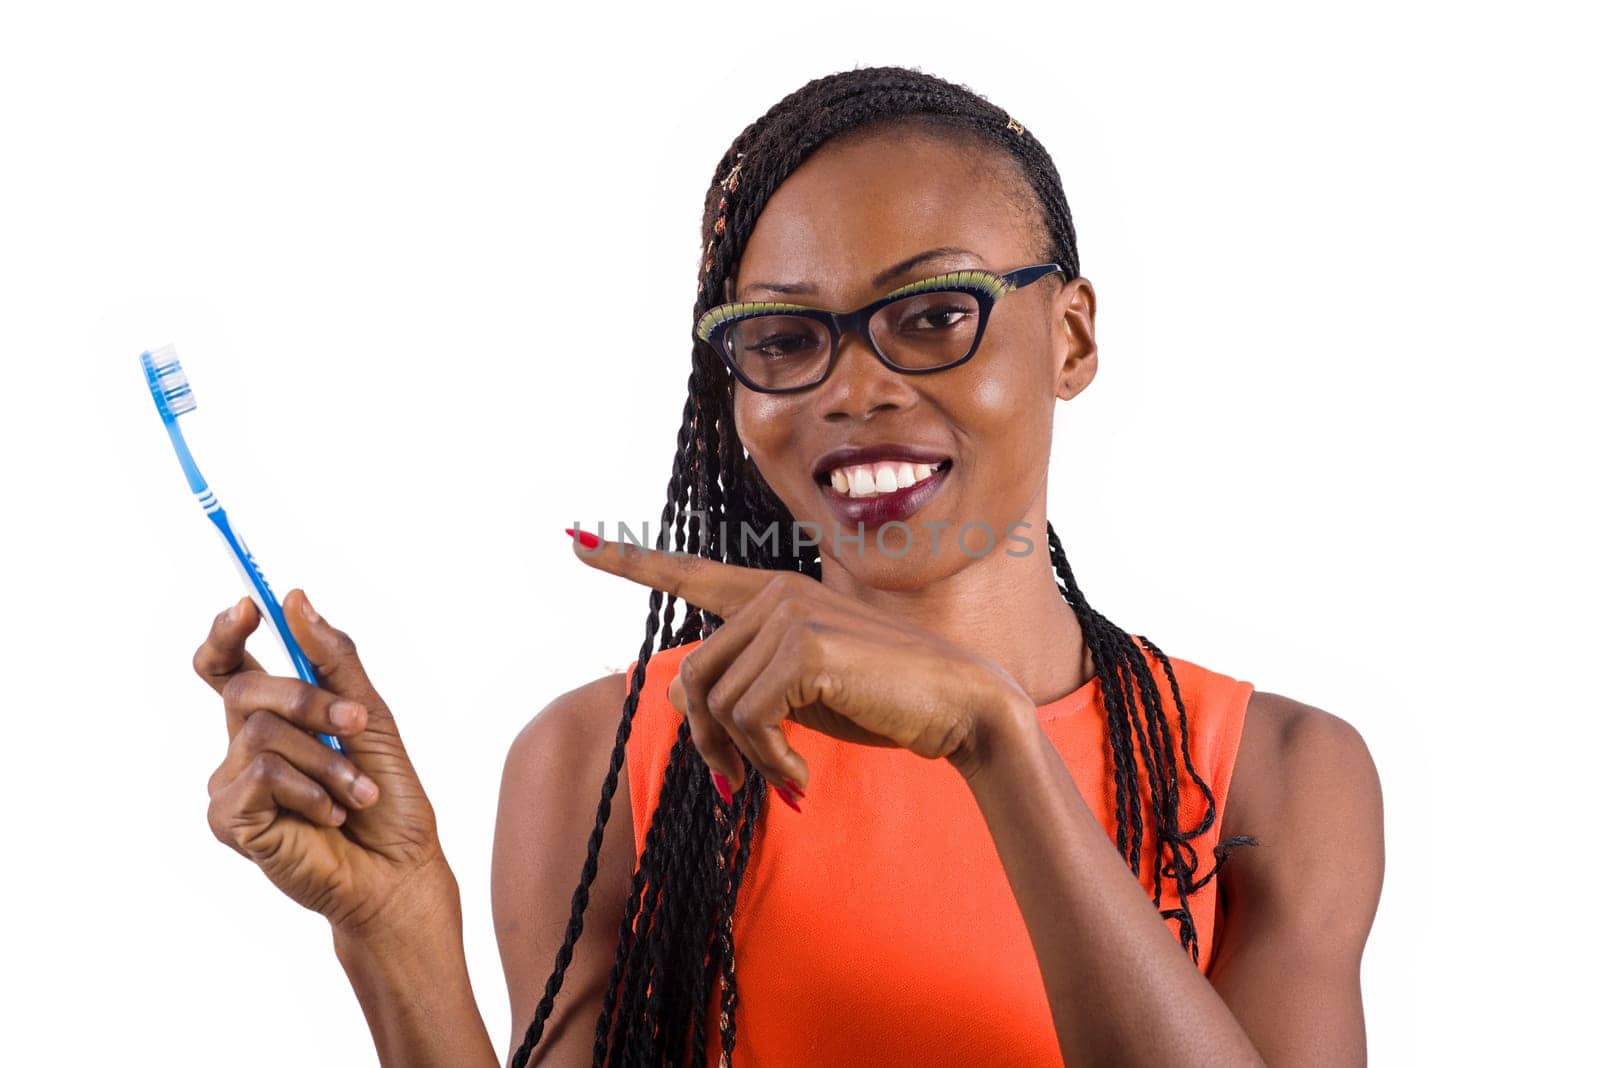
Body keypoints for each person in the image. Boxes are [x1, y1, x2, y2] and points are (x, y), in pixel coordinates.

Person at [191, 65, 1385, 1067]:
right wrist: (396, 933)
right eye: (782, 338)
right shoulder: (601, 764)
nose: (853, 388)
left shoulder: (1271, 777)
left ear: (1069, 336)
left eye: (931, 314)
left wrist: (993, 740)